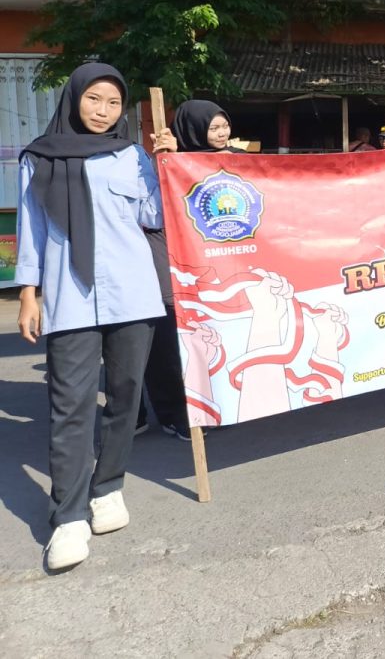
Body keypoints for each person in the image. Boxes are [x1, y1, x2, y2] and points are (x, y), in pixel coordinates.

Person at [15, 63, 167, 571]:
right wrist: (28, 293)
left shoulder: (132, 156)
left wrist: (166, 168)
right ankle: (69, 516)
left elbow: (156, 217)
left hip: (132, 295)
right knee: (70, 406)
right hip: (67, 296)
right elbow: (31, 227)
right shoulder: (38, 156)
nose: (103, 111)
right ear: (74, 98)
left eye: (113, 103)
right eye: (93, 100)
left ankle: (108, 487)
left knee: (124, 397)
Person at [136, 100, 246, 441]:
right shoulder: (170, 161)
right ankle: (173, 413)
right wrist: (167, 160)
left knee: (215, 336)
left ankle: (216, 403)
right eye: (213, 128)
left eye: (224, 125)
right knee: (171, 338)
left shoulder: (237, 160)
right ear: (194, 129)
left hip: (220, 264)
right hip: (172, 256)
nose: (222, 132)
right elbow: (152, 210)